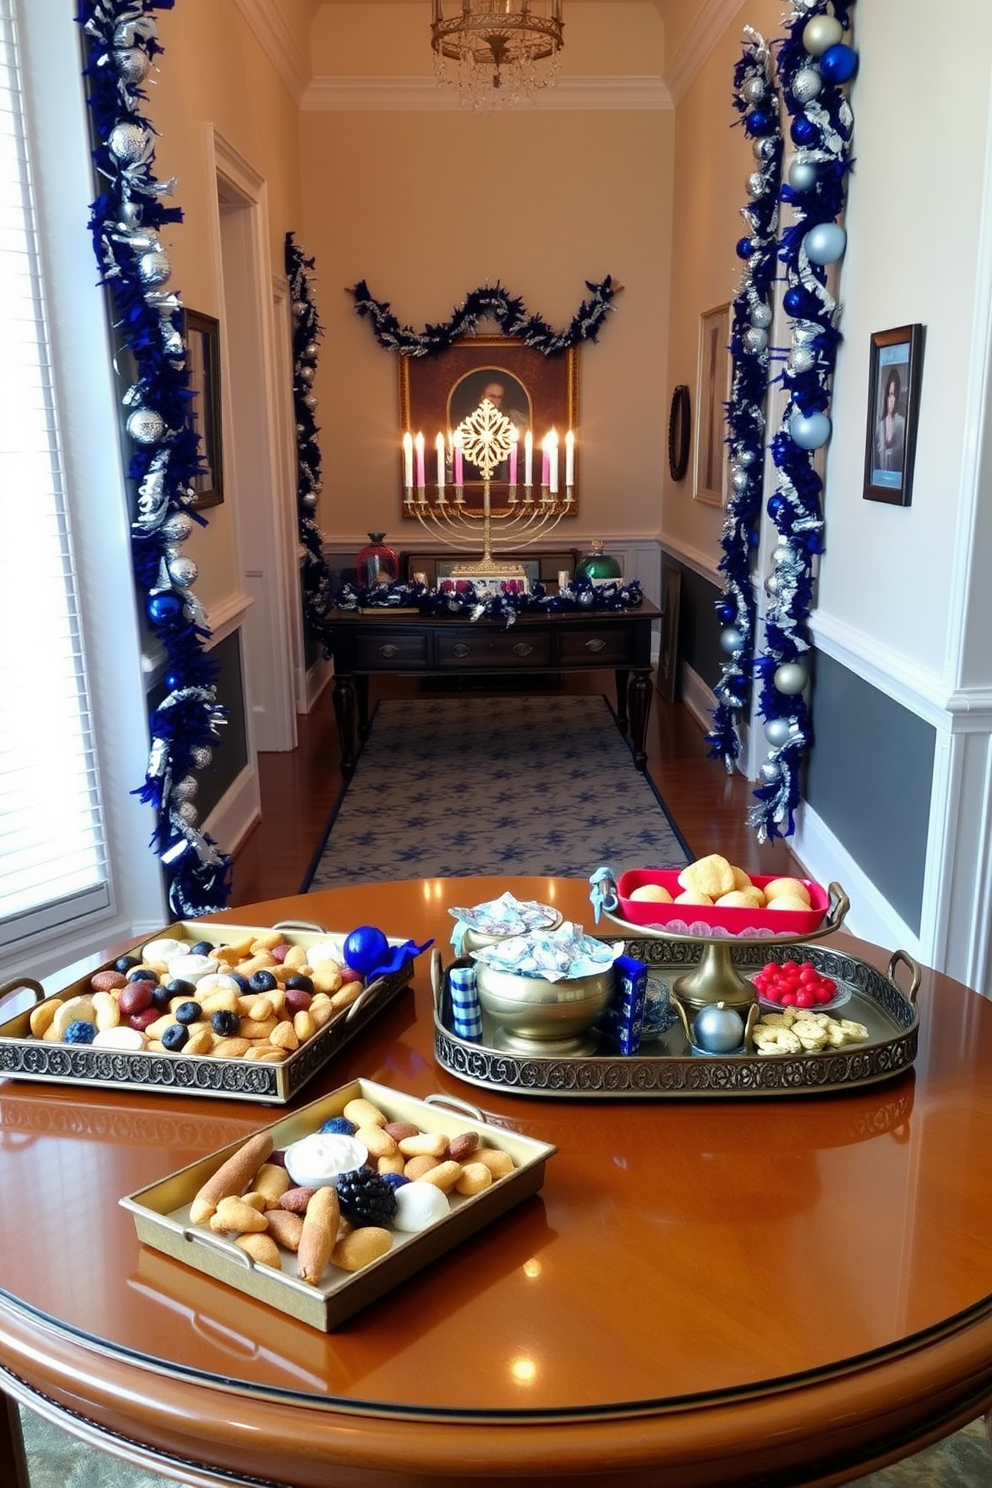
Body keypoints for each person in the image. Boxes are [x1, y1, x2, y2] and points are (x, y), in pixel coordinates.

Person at [875, 365, 906, 475]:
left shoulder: (902, 424)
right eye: (889, 394)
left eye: (894, 395)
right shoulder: (880, 426)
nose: (891, 400)